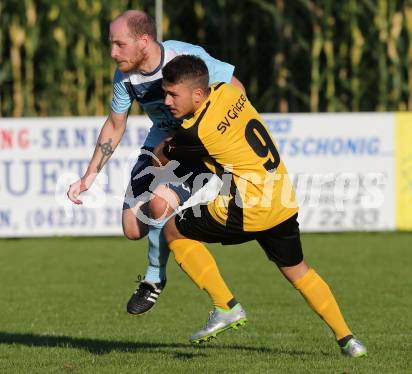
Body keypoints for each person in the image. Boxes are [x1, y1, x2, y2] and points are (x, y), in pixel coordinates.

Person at [147, 55, 367, 357]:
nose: (167, 100)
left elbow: (161, 157)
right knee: (298, 271)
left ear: (197, 94)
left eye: (173, 94)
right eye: (165, 93)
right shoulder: (229, 91)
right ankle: (349, 340)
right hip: (280, 197)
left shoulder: (196, 132)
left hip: (247, 207)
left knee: (173, 230)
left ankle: (226, 305)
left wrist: (164, 141)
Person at [66, 10, 245, 316]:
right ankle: (175, 223)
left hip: (192, 145)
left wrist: (218, 139)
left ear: (144, 41)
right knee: (133, 227)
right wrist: (88, 177)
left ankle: (152, 278)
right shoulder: (125, 77)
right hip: (159, 145)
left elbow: (236, 89)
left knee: (160, 204)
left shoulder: (184, 56)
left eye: (119, 44)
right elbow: (114, 125)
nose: (112, 53)